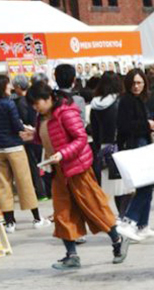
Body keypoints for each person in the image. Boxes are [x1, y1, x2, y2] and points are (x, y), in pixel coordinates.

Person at [20, 81, 130, 270]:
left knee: (93, 206)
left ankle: (118, 239)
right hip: (58, 171)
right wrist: (33, 137)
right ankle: (71, 255)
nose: (34, 107)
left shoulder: (65, 112)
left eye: (36, 103)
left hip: (77, 168)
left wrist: (62, 153)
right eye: (32, 104)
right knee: (62, 213)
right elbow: (48, 137)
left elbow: (81, 139)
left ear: (48, 98)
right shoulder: (42, 117)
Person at [116, 69, 154, 242]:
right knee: (144, 187)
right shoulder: (127, 100)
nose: (136, 86)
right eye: (133, 83)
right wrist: (147, 124)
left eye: (139, 82)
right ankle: (128, 222)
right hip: (136, 146)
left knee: (148, 186)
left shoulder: (140, 100)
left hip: (143, 144)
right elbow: (124, 125)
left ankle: (143, 225)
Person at [0, 75, 49, 232]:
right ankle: (36, 218)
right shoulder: (9, 104)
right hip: (15, 147)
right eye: (8, 85)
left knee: (4, 185)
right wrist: (26, 129)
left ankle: (10, 222)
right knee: (24, 182)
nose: (11, 88)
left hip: (0, 149)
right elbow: (16, 125)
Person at [89, 71, 132, 213]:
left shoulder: (95, 104)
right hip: (121, 146)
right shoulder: (121, 100)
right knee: (126, 186)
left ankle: (119, 215)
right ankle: (124, 215)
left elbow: (94, 129)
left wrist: (98, 147)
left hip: (105, 147)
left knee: (113, 186)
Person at [11, 74, 47, 200]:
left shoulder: (21, 102)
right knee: (42, 163)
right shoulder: (33, 99)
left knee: (33, 166)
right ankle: (46, 190)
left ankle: (41, 192)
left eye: (15, 87)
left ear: (19, 87)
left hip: (29, 136)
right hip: (38, 134)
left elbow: (25, 120)